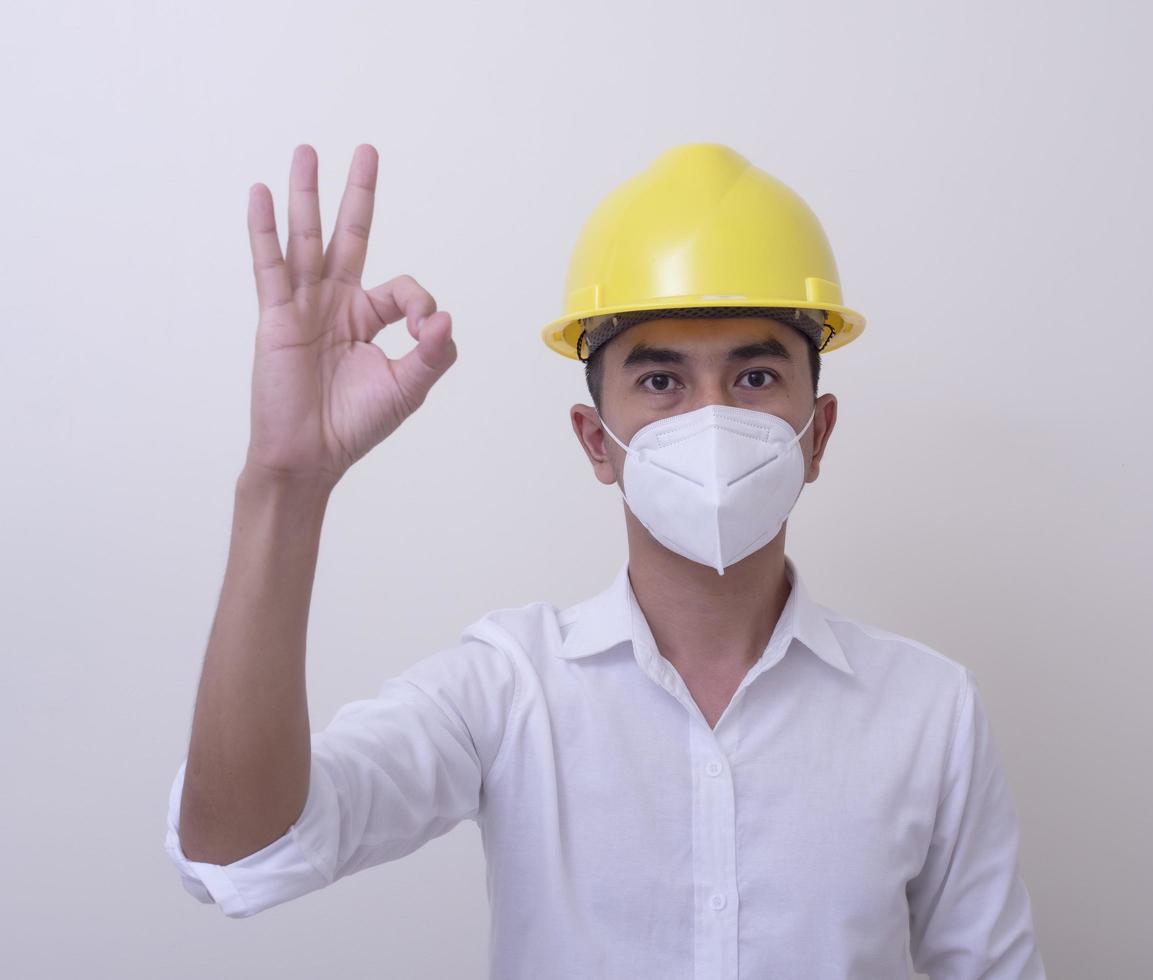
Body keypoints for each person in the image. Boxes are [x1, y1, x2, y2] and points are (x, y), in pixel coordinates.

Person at [164, 141, 1046, 979]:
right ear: (597, 441)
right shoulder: (509, 689)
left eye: (754, 377)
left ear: (818, 435)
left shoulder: (929, 712)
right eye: (660, 381)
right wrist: (285, 482)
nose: (709, 418)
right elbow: (243, 849)